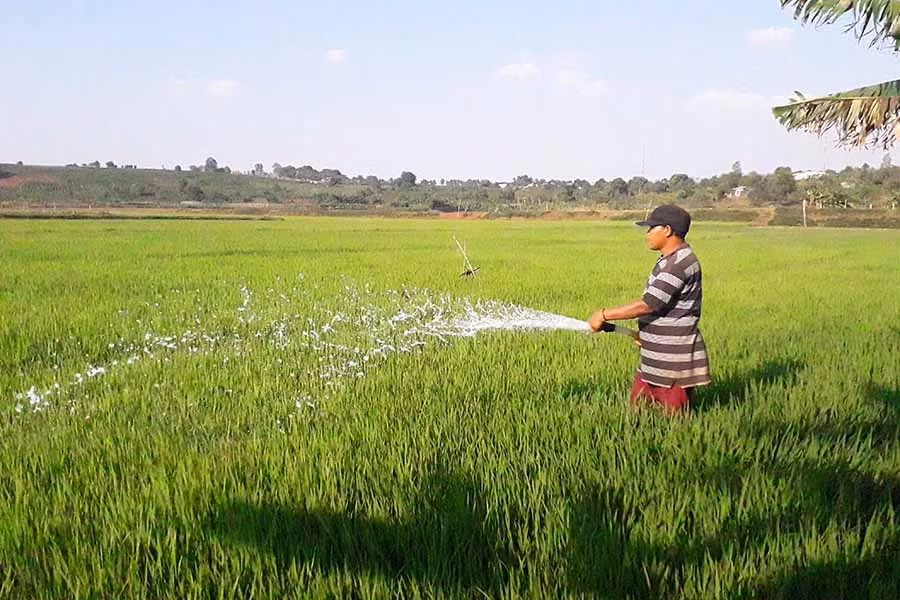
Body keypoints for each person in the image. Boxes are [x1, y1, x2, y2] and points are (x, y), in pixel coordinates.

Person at [588, 204, 710, 414]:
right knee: (641, 409)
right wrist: (646, 333)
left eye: (651, 228)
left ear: (667, 230)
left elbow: (649, 304)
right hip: (658, 352)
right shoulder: (672, 259)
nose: (647, 234)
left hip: (673, 358)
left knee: (673, 416)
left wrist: (604, 314)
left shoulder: (678, 264)